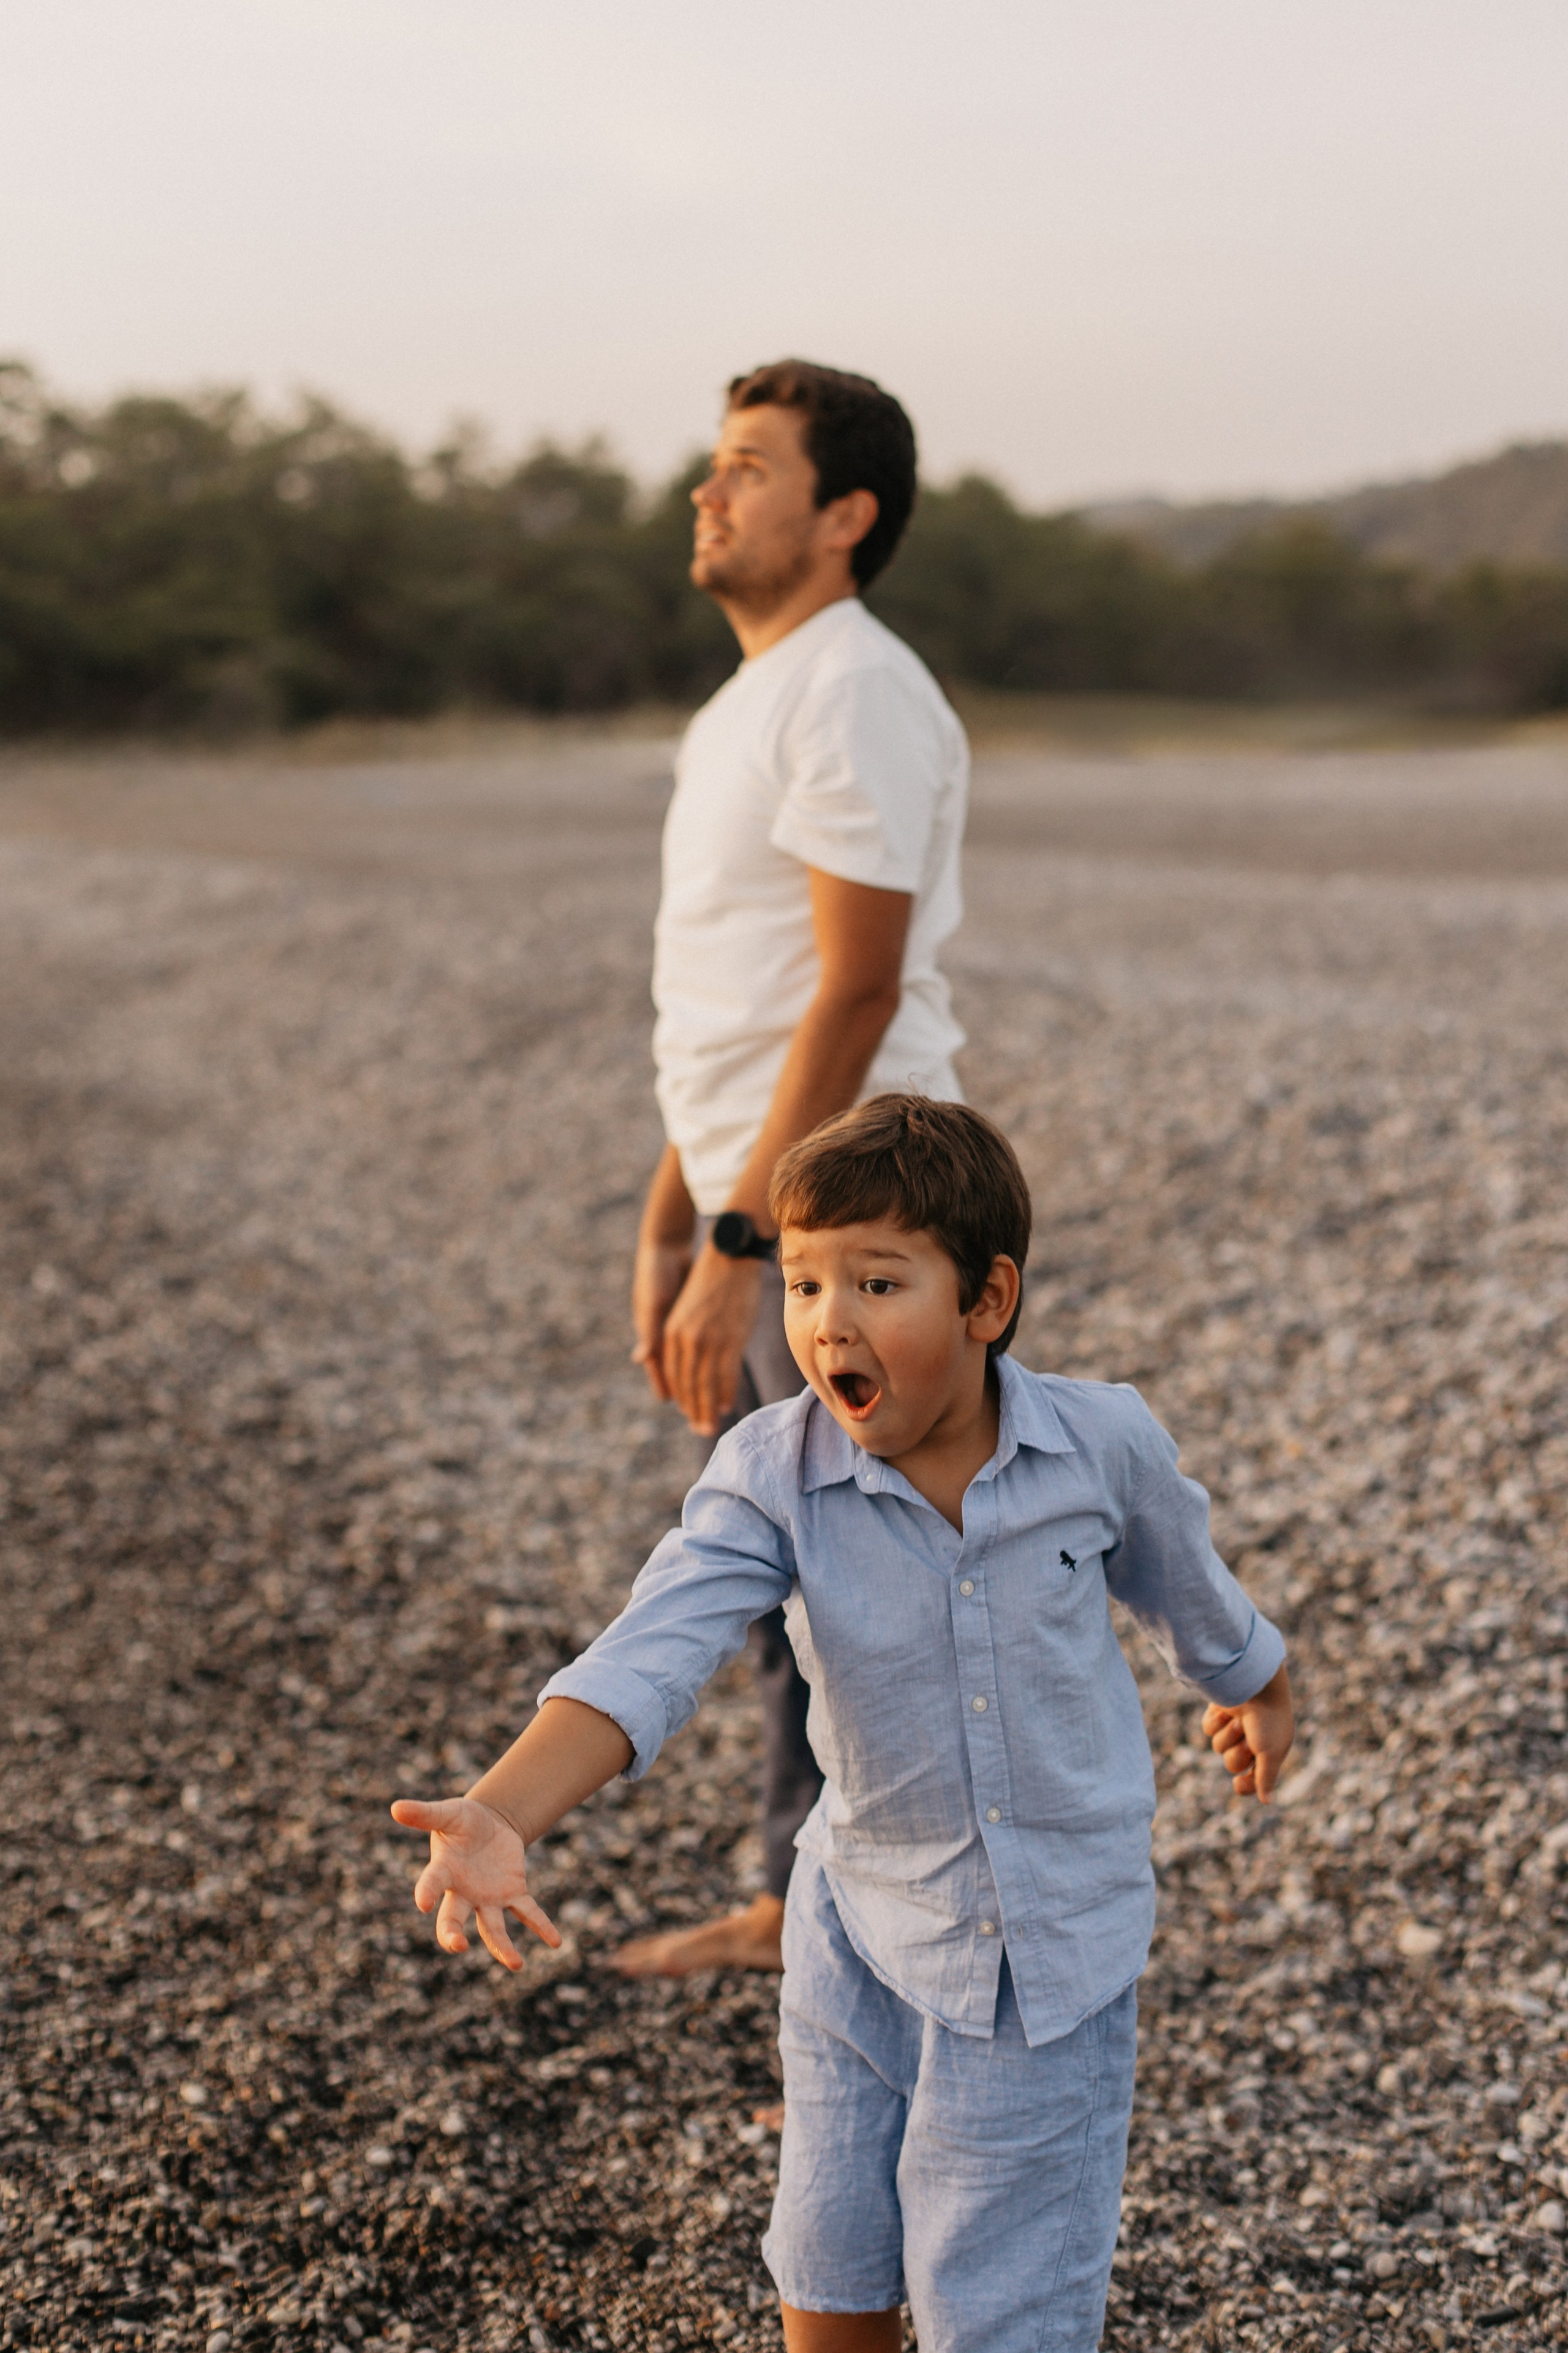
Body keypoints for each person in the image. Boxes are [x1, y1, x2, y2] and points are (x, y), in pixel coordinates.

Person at [393, 1095, 1295, 2353]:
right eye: (802, 1284)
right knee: (828, 2245)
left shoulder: (1102, 1443)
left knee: (1003, 2285)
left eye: (876, 1281)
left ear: (985, 1301)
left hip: (1045, 1948)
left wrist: (1252, 1682)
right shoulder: (775, 1468)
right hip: (855, 1915)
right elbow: (658, 1643)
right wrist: (501, 1806)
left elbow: (1184, 1587)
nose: (826, 1323)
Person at [619, 358, 969, 1979]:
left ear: (845, 517)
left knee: (882, 1604)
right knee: (795, 1584)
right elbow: (736, 1001)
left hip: (863, 1224)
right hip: (770, 1211)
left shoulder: (854, 688)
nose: (711, 490)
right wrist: (668, 1217)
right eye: (715, 464)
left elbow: (855, 989)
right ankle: (796, 1913)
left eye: (750, 467)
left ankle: (906, 1974)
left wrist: (748, 1242)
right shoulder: (753, 695)